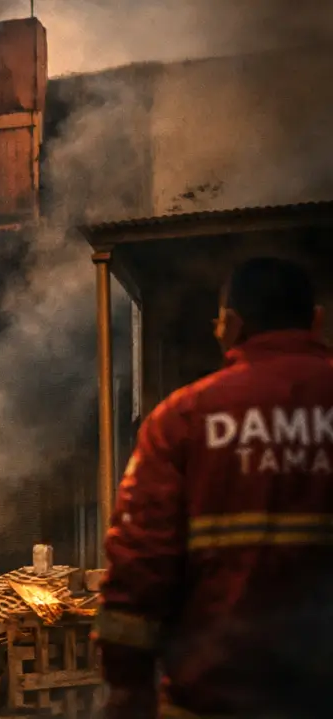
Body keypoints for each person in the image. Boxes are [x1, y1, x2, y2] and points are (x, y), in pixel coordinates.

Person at [96, 257, 333, 719]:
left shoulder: (184, 418)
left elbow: (140, 562)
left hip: (216, 696)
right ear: (316, 320)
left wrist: (127, 686)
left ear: (230, 325)